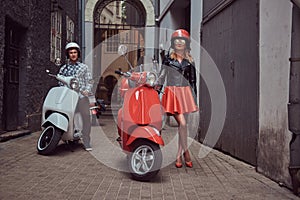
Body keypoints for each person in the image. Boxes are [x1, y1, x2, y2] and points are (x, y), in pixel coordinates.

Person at [158, 29, 198, 168]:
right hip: (172, 94)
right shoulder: (168, 60)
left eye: (182, 40)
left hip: (185, 94)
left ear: (186, 43)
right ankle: (186, 152)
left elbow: (193, 82)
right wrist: (155, 90)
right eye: (177, 40)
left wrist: (195, 100)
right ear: (173, 43)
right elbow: (161, 77)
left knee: (183, 127)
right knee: (182, 123)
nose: (179, 42)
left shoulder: (190, 62)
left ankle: (178, 156)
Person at [59, 42, 93, 151]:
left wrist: (87, 90)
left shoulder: (84, 67)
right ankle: (70, 137)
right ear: (68, 55)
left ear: (78, 54)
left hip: (81, 96)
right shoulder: (64, 69)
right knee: (68, 116)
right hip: (68, 96)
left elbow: (89, 81)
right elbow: (60, 81)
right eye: (70, 53)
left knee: (86, 116)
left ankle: (86, 140)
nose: (73, 54)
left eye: (75, 52)